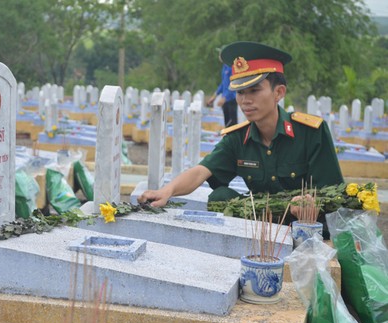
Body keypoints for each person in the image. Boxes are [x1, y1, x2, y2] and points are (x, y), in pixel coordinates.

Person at [138, 41, 344, 208]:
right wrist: (167, 191)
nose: (245, 100)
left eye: (254, 90)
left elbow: (334, 193)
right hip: (259, 222)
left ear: (279, 92)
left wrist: (312, 202)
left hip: (304, 224)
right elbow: (201, 171)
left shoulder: (310, 132)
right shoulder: (238, 138)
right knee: (220, 197)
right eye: (240, 92)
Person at [206, 48, 238, 127]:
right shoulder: (224, 67)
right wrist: (215, 95)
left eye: (221, 54)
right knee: (226, 123)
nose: (219, 56)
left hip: (231, 98)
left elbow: (233, 84)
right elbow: (223, 83)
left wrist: (225, 98)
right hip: (225, 99)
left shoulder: (232, 67)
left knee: (232, 123)